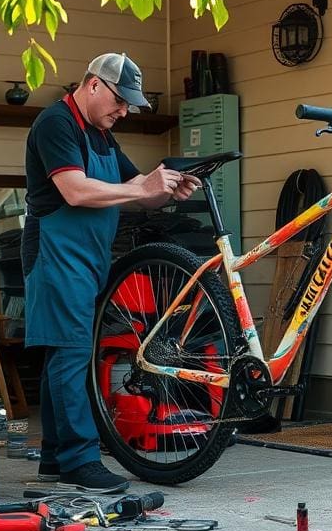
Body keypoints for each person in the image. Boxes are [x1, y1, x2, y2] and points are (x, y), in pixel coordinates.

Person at [22, 52, 200, 491]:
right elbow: (76, 190)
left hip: (90, 254)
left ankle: (54, 460)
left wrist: (167, 189)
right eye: (121, 101)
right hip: (56, 251)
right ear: (94, 85)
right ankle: (81, 462)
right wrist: (141, 186)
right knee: (70, 353)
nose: (124, 111)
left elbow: (138, 192)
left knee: (62, 354)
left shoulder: (102, 134)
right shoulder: (56, 124)